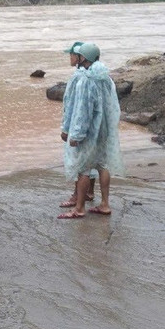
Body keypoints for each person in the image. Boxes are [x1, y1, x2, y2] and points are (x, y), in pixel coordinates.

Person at [57, 43, 124, 219]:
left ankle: (79, 208)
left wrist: (76, 134)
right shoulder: (106, 78)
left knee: (83, 169)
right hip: (104, 129)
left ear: (83, 58)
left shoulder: (86, 81)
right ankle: (105, 204)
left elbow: (83, 110)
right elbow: (113, 107)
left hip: (89, 132)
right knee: (102, 165)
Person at [59, 41, 96, 208]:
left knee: (79, 162)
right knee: (91, 160)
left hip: (78, 124)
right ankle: (89, 192)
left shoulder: (78, 78)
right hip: (94, 126)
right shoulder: (95, 75)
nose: (70, 57)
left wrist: (67, 129)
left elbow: (72, 104)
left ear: (80, 57)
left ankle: (76, 196)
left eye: (72, 55)